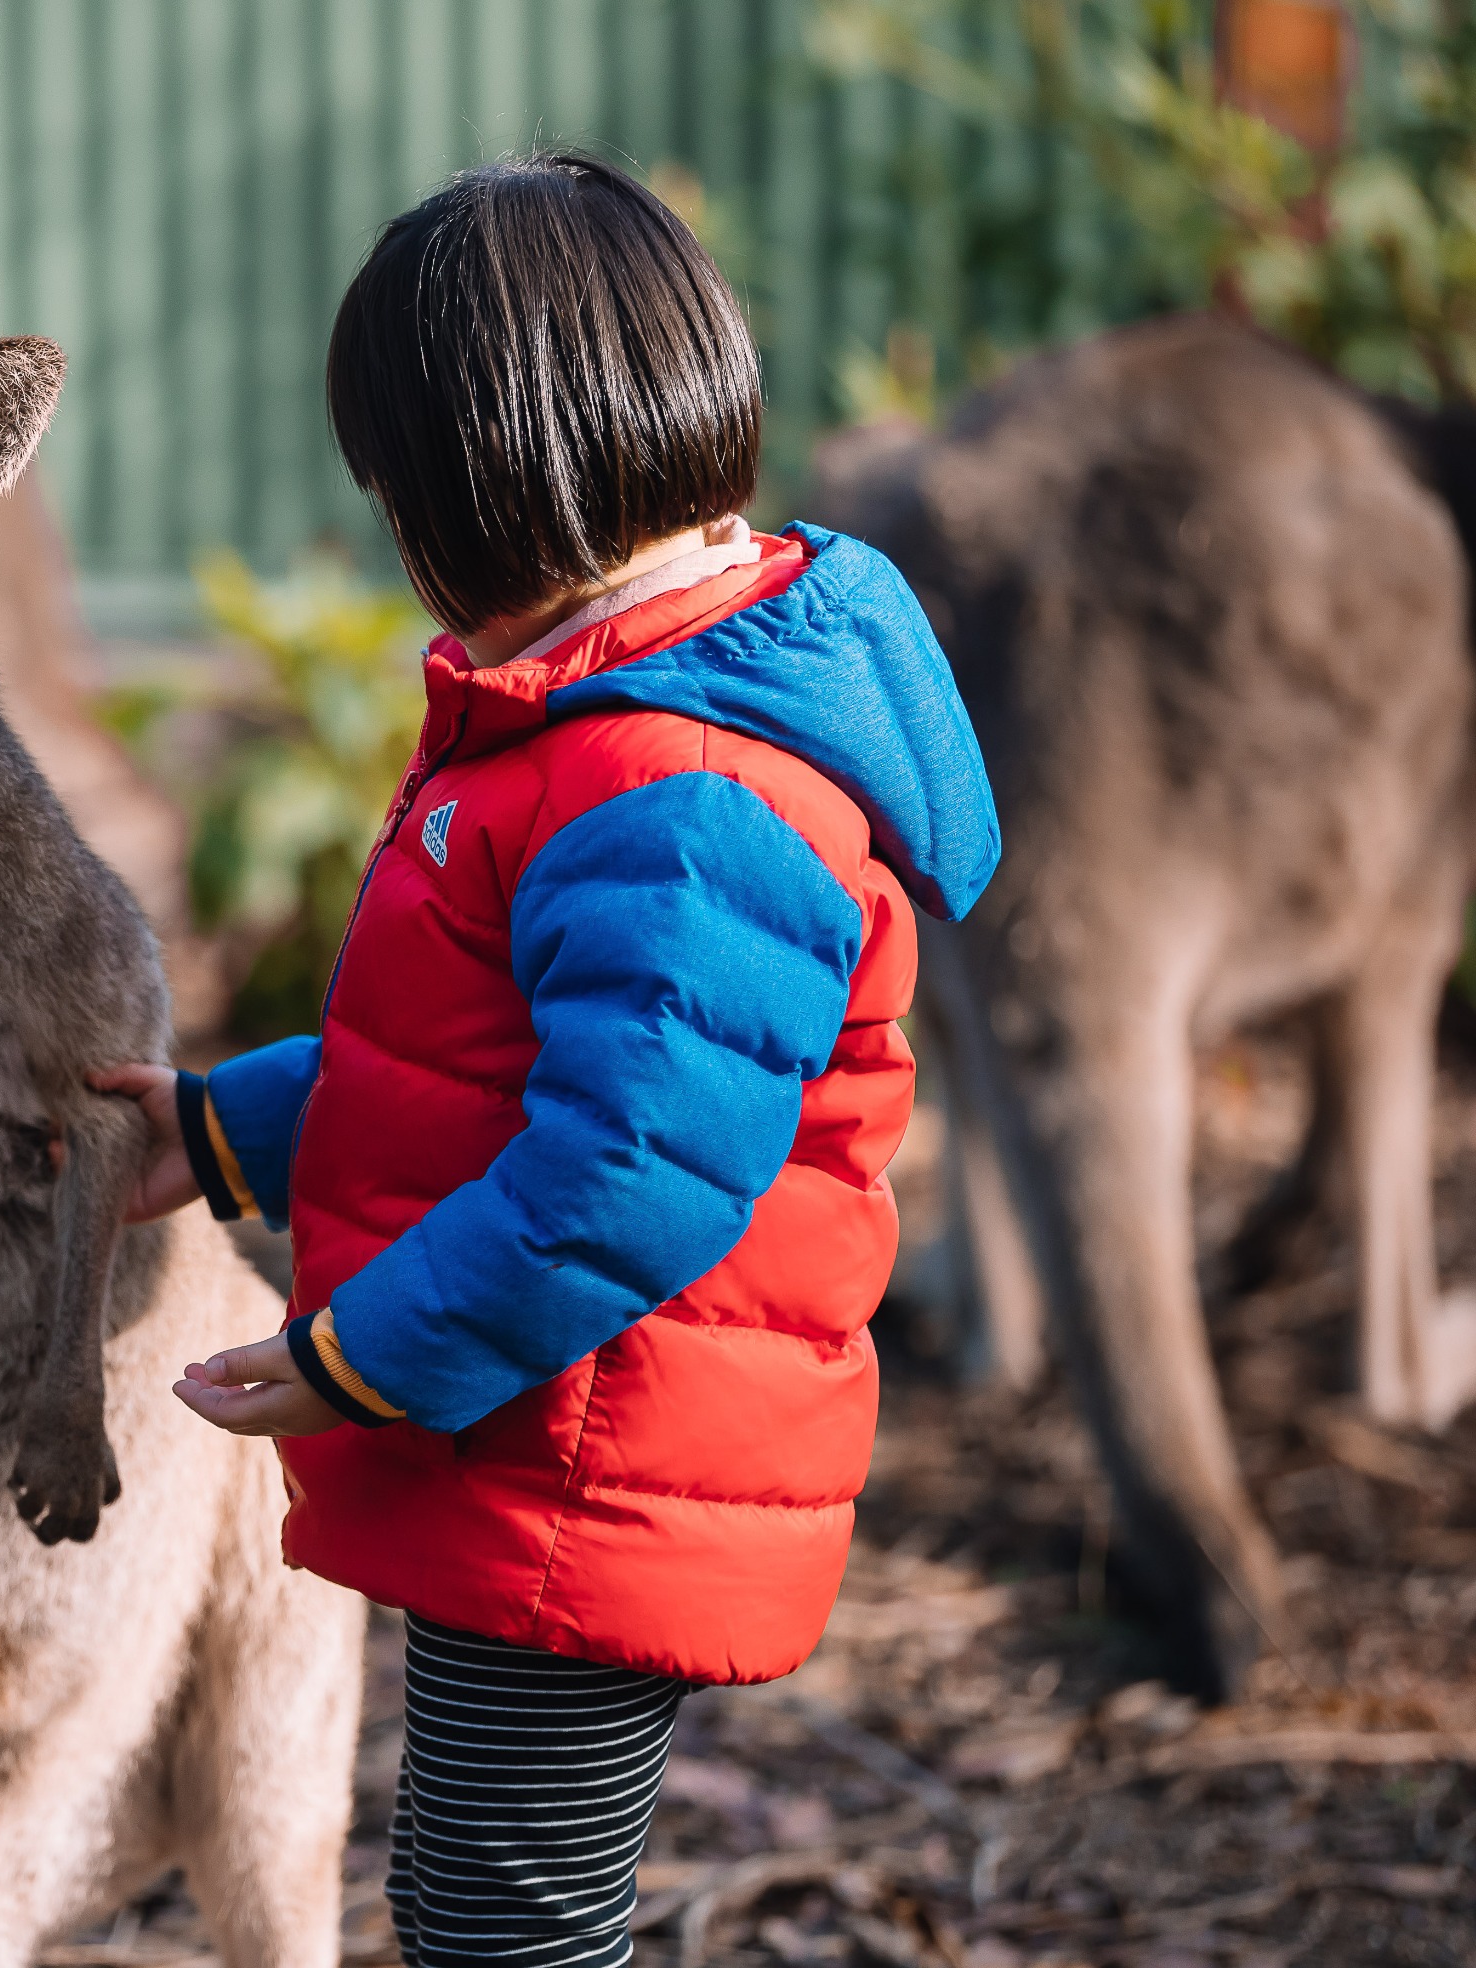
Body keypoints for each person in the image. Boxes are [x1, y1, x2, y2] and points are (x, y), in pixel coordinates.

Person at [96, 155, 1000, 1967]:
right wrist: (218, 1135)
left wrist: (362, 1359)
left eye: (395, 501)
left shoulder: (682, 783)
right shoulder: (614, 717)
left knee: (504, 1924)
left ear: (468, 493)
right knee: (491, 1902)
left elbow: (627, 1177)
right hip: (553, 1429)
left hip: (590, 1460)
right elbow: (487, 1075)